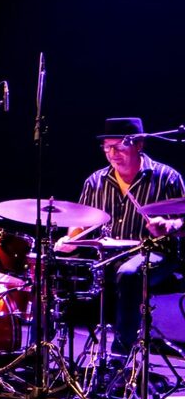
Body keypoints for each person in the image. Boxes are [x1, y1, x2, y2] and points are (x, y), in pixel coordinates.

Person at [56, 117, 183, 356]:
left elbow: (183, 221)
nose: (112, 153)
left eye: (119, 147)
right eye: (107, 147)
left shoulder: (167, 177)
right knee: (49, 266)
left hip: (156, 255)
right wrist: (69, 242)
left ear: (139, 145)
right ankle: (39, 351)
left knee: (129, 273)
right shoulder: (95, 181)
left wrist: (170, 225)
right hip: (107, 256)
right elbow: (81, 224)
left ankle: (121, 355)